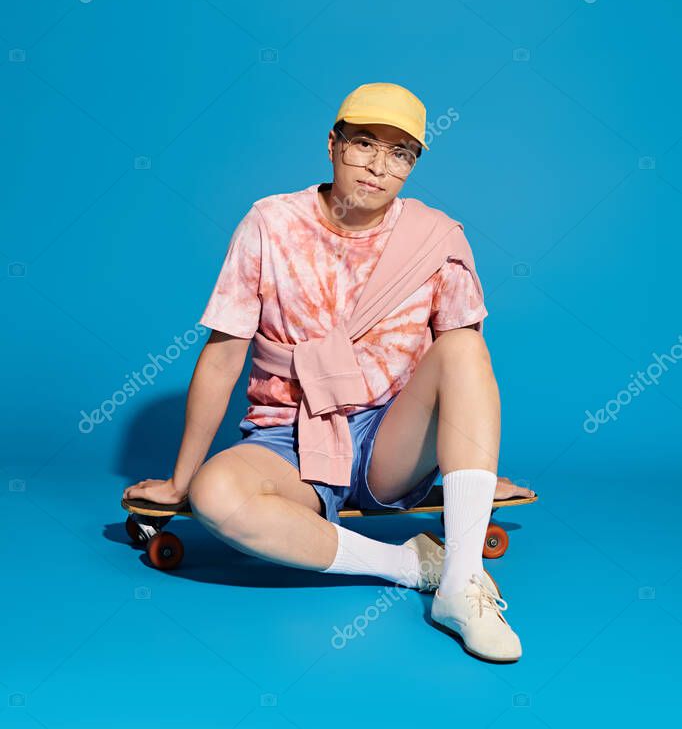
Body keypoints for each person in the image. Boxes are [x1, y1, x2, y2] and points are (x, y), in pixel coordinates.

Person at [123, 81, 534, 662]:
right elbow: (222, 353)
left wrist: (480, 478)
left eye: (400, 153)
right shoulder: (271, 223)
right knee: (218, 495)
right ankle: (412, 565)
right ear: (333, 144)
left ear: (413, 165)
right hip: (289, 434)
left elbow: (464, 376)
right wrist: (179, 479)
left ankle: (463, 585)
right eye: (365, 143)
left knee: (464, 347)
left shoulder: (438, 238)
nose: (378, 165)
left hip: (393, 439)